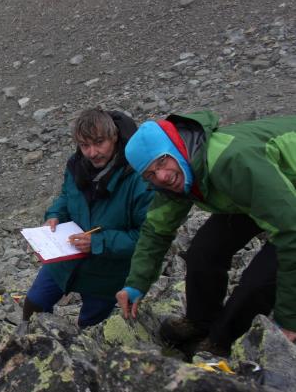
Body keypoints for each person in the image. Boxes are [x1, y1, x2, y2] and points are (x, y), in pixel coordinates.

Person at [116, 111, 296, 355]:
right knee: (203, 252)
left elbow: (291, 232)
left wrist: (288, 321)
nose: (162, 176)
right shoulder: (180, 176)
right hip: (268, 189)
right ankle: (200, 323)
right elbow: (156, 231)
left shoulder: (230, 161)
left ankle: (221, 343)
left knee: (257, 281)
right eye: (150, 174)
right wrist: (136, 283)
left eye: (162, 161)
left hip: (287, 201)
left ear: (177, 148)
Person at [23, 109, 153, 327]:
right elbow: (66, 196)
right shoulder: (76, 165)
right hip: (65, 261)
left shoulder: (138, 177)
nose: (92, 152)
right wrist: (54, 215)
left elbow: (146, 238)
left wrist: (98, 242)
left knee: (89, 328)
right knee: (33, 304)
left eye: (99, 142)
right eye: (85, 145)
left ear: (114, 137)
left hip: (107, 273)